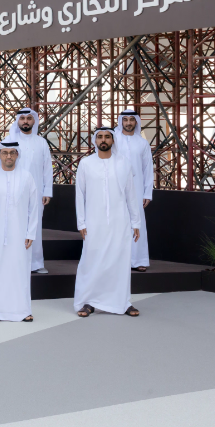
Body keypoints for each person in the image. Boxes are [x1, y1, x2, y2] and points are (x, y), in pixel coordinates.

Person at [74, 128, 143, 319]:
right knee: (91, 261)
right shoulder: (86, 163)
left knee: (119, 261)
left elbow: (131, 194)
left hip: (120, 221)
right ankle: (88, 301)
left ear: (113, 140)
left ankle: (122, 302)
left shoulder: (124, 163)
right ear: (94, 141)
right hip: (93, 222)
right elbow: (80, 194)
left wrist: (136, 222)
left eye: (107, 137)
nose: (103, 140)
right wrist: (81, 223)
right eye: (100, 137)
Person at [0, 141, 41, 323]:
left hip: (20, 235)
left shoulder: (26, 176)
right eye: (5, 153)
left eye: (12, 153)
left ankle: (22, 310)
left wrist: (30, 233)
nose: (8, 156)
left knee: (19, 271)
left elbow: (33, 208)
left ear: (17, 155)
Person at [7, 107, 54, 273]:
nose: (25, 121)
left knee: (35, 226)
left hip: (36, 191)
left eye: (29, 118)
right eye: (22, 118)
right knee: (14, 225)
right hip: (13, 191)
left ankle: (36, 263)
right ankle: (15, 263)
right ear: (18, 121)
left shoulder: (41, 142)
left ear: (34, 121)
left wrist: (47, 191)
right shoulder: (9, 140)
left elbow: (47, 168)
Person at [116, 109, 155, 271]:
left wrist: (147, 193)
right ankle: (117, 261)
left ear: (136, 122)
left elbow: (148, 169)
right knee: (116, 222)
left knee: (137, 222)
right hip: (115, 187)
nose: (128, 123)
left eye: (132, 119)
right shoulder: (113, 139)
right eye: (125, 119)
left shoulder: (142, 143)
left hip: (137, 188)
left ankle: (138, 260)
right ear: (121, 121)